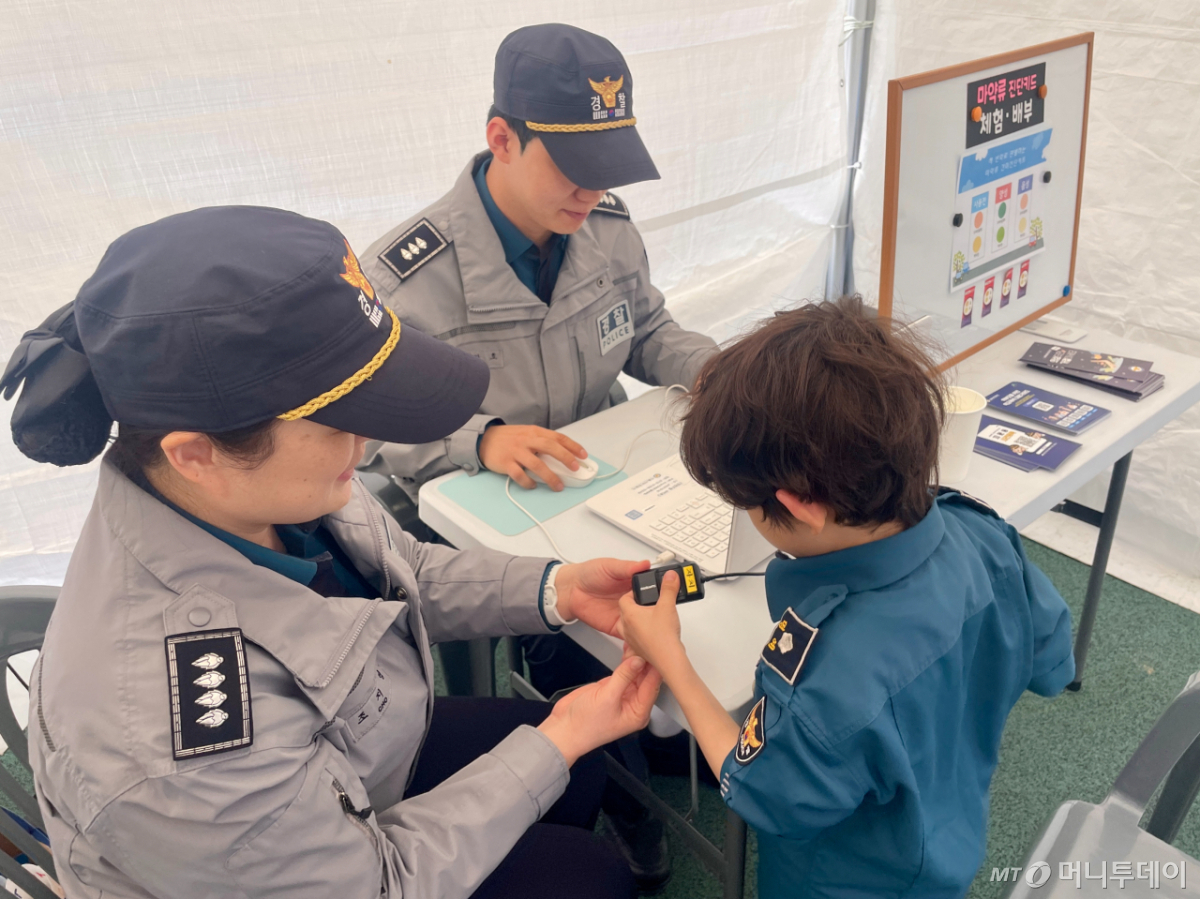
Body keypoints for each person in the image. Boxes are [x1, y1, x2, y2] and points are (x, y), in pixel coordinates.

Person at [0, 206, 663, 899]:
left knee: (582, 766)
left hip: (352, 760)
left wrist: (555, 589)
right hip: (322, 864)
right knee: (591, 872)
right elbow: (372, 887)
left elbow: (402, 570)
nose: (370, 439)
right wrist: (552, 743)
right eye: (343, 416)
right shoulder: (180, 738)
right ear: (195, 453)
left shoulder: (263, 484)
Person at [357, 24, 717, 886]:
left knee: (690, 588)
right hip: (473, 511)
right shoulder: (406, 275)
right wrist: (475, 435)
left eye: (610, 167)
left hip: (601, 480)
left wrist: (725, 376)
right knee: (569, 634)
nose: (594, 191)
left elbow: (652, 332)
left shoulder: (606, 226)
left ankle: (643, 735)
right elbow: (370, 423)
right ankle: (615, 777)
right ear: (501, 138)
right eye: (572, 167)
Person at [618, 297, 1076, 898]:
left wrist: (670, 658)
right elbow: (1051, 663)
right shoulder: (984, 534)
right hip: (946, 835)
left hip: (842, 880)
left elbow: (761, 791)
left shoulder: (828, 673)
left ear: (799, 506)